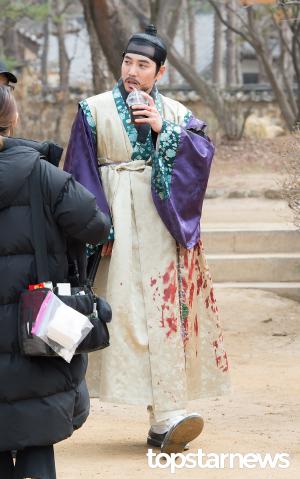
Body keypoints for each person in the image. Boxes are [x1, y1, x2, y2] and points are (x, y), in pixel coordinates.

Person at [65, 25, 229, 454]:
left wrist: (165, 132)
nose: (132, 72)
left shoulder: (176, 114)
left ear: (161, 72)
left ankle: (166, 416)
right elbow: (79, 171)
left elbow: (201, 156)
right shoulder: (93, 109)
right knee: (121, 316)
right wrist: (96, 226)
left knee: (165, 319)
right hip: (114, 230)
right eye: (127, 62)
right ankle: (57, 407)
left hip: (163, 235)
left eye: (143, 65)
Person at [0, 85, 111, 478]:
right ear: (12, 121)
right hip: (37, 333)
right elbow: (97, 227)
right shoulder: (45, 176)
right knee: (36, 445)